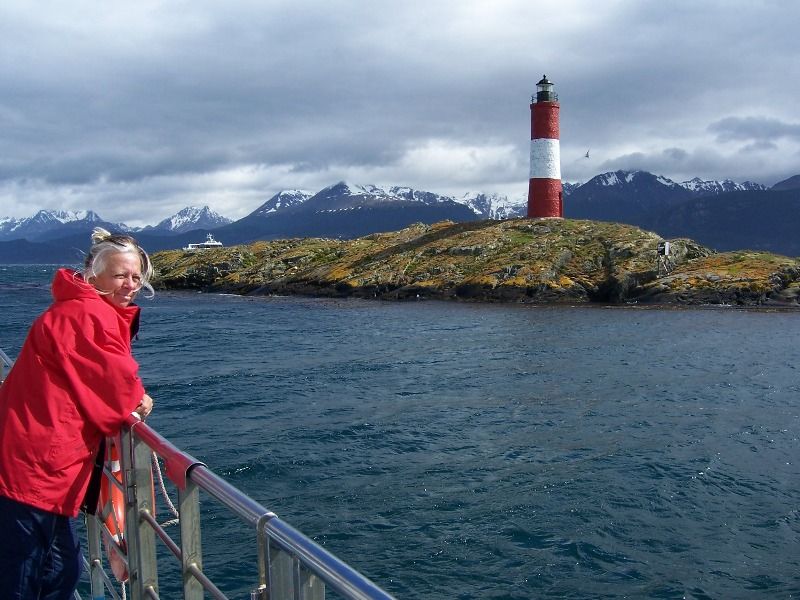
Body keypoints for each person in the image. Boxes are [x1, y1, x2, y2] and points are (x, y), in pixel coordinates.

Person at [0, 227, 155, 599]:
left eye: (136, 277)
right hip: (35, 467)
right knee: (27, 574)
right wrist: (139, 398)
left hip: (39, 461)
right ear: (93, 275)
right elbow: (115, 383)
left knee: (59, 568)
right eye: (120, 275)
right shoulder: (87, 314)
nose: (129, 285)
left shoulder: (78, 308)